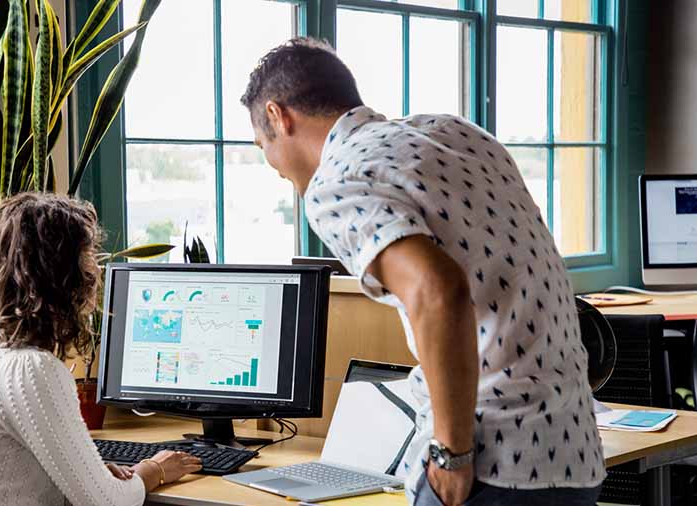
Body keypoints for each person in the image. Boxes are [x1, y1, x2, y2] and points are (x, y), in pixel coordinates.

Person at [241, 38, 605, 506]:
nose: (272, 167)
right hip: (573, 453)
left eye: (261, 147)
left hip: (493, 464)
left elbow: (438, 291)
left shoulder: (337, 180)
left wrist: (452, 454)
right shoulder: (454, 134)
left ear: (278, 116)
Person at [0, 193, 202, 506]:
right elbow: (108, 504)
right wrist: (153, 470)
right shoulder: (31, 369)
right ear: (63, 276)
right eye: (87, 257)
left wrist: (92, 477)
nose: (94, 270)